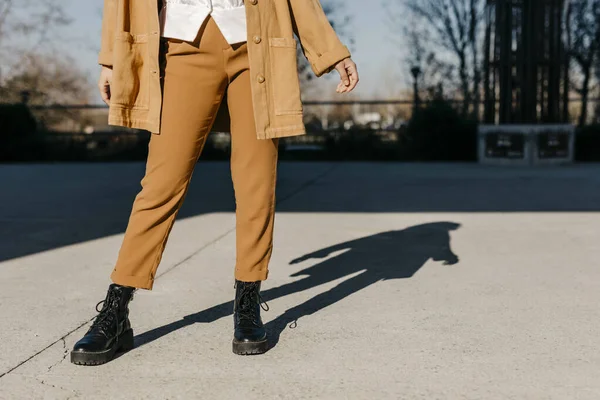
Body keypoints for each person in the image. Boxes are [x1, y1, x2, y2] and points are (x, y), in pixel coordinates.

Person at [70, 0, 358, 365]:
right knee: (161, 184)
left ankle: (248, 302)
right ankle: (116, 306)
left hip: (257, 44)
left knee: (257, 180)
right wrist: (111, 59)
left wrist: (332, 52)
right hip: (182, 45)